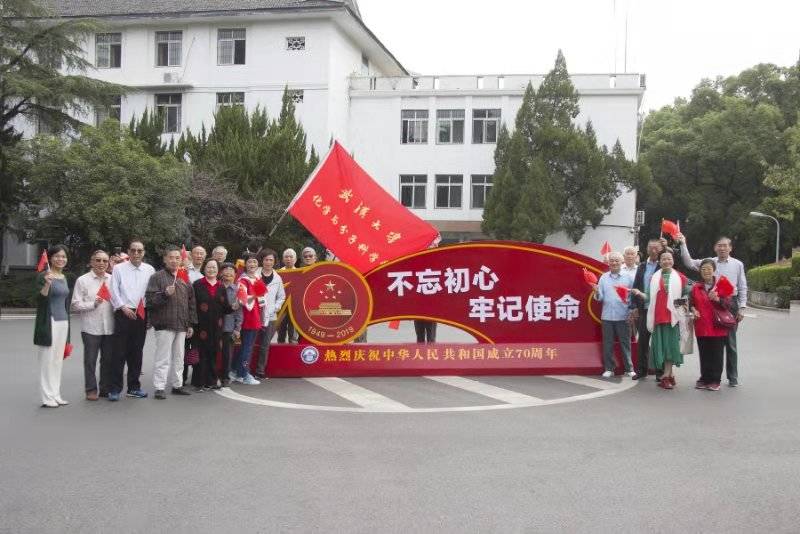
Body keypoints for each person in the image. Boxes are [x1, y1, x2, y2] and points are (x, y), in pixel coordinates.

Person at [677, 234, 747, 387]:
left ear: (730, 248)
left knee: (730, 343)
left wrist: (742, 307)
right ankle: (708, 377)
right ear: (715, 248)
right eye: (719, 245)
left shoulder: (737, 264)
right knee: (709, 344)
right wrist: (683, 243)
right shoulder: (709, 262)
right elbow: (688, 262)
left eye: (725, 245)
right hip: (706, 303)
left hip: (728, 302)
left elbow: (742, 286)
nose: (722, 248)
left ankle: (732, 377)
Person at [631, 250, 690, 390]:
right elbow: (649, 297)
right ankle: (669, 374)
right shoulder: (654, 277)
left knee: (670, 347)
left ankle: (666, 376)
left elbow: (687, 295)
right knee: (661, 347)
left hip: (673, 318)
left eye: (669, 258)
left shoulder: (680, 277)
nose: (667, 261)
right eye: (664, 259)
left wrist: (680, 308)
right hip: (658, 317)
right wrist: (639, 293)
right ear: (660, 261)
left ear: (673, 260)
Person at [146, 246, 197, 399]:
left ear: (181, 260)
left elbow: (191, 302)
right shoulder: (157, 277)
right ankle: (159, 387)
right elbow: (150, 301)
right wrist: (164, 294)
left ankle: (177, 385)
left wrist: (190, 323)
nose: (174, 260)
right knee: (163, 358)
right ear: (165, 259)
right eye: (171, 257)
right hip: (164, 324)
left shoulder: (184, 277)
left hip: (181, 324)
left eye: (177, 258)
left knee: (179, 357)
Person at [109, 239, 154, 401]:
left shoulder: (149, 269)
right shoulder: (119, 268)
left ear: (143, 252)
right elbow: (113, 290)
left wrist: (149, 315)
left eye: (139, 251)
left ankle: (134, 387)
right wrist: (123, 307)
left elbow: (151, 293)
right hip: (123, 312)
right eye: (133, 250)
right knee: (119, 352)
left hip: (141, 313)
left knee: (137, 352)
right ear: (128, 252)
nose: (136, 253)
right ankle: (115, 388)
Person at [70, 250, 114, 401]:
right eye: (98, 260)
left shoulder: (112, 279)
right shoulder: (82, 280)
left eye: (105, 261)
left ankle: (105, 388)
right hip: (90, 328)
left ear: (108, 263)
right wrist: (92, 304)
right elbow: (75, 305)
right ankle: (90, 390)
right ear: (91, 262)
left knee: (107, 360)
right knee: (90, 361)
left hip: (110, 327)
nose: (101, 263)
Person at [33, 245, 72, 408]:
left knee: (57, 361)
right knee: (47, 361)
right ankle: (47, 397)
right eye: (57, 256)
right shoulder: (44, 275)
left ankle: (55, 394)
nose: (60, 259)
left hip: (63, 322)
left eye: (63, 256)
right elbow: (39, 299)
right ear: (50, 258)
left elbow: (65, 303)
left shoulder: (63, 277)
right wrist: (47, 284)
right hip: (49, 322)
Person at [690, 259, 734, 391]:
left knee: (716, 354)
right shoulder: (696, 287)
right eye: (703, 269)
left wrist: (717, 299)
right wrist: (693, 310)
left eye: (709, 269)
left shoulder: (722, 285)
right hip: (701, 325)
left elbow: (729, 305)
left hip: (717, 326)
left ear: (714, 270)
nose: (706, 271)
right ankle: (704, 378)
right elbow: (691, 303)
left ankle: (715, 380)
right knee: (704, 353)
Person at [591, 251, 636, 378]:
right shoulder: (604, 277)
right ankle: (609, 368)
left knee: (625, 343)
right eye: (612, 260)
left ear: (622, 262)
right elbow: (599, 297)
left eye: (617, 260)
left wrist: (632, 311)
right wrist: (596, 292)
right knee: (608, 343)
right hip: (607, 316)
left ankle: (629, 368)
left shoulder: (628, 277)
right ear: (608, 263)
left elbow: (633, 296)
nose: (614, 263)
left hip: (624, 315)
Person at [192, 259, 232, 391]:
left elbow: (226, 308)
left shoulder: (221, 287)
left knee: (213, 354)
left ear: (218, 270)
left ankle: (212, 380)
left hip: (217, 327)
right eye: (209, 267)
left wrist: (236, 305)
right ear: (204, 269)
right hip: (200, 326)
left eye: (214, 267)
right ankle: (199, 382)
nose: (211, 270)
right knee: (201, 354)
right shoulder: (197, 284)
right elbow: (191, 305)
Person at [629, 239, 664, 381]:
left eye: (656, 248)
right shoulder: (642, 266)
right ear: (647, 249)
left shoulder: (663, 265)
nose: (653, 250)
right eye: (651, 247)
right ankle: (641, 370)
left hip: (659, 309)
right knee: (642, 341)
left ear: (661, 249)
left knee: (658, 342)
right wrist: (634, 306)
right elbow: (636, 285)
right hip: (643, 309)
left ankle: (660, 372)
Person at [255, 249, 286, 379]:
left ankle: (260, 371)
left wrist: (275, 307)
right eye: (266, 259)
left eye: (271, 260)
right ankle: (244, 371)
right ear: (262, 260)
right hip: (254, 315)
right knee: (250, 344)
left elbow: (281, 297)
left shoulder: (278, 278)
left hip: (270, 317)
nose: (268, 262)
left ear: (274, 262)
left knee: (265, 345)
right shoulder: (254, 275)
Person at [232, 253, 262, 385]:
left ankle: (236, 370)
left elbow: (262, 300)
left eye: (255, 262)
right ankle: (243, 374)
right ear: (245, 264)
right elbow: (243, 300)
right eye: (250, 262)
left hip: (256, 317)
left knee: (246, 347)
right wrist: (255, 294)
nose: (252, 264)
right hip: (247, 318)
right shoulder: (243, 281)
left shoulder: (257, 278)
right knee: (247, 348)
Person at [219, 263, 242, 387]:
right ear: (221, 273)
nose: (228, 273)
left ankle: (225, 377)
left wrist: (237, 328)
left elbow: (239, 312)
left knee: (227, 354)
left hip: (229, 326)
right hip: (215, 325)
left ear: (235, 275)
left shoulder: (238, 290)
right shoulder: (216, 287)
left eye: (231, 271)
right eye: (226, 270)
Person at [277, 248, 299, 343]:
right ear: (283, 259)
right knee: (280, 334)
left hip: (294, 308)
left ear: (295, 259)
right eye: (286, 257)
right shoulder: (278, 273)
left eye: (291, 257)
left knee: (293, 336)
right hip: (281, 307)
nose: (288, 259)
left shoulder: (300, 273)